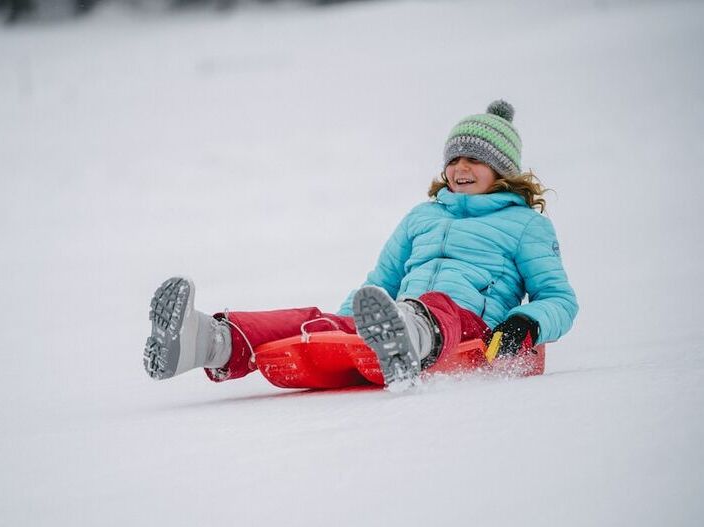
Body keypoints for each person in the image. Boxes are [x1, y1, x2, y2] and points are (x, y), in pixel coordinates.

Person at [143, 100, 578, 389]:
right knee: (317, 320)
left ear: (503, 170)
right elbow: (381, 281)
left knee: (434, 304)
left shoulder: (525, 226)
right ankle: (210, 341)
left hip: (470, 327)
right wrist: (341, 325)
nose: (461, 168)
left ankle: (411, 335)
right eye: (453, 159)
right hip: (400, 313)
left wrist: (528, 322)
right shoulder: (422, 216)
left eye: (474, 160)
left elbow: (558, 298)